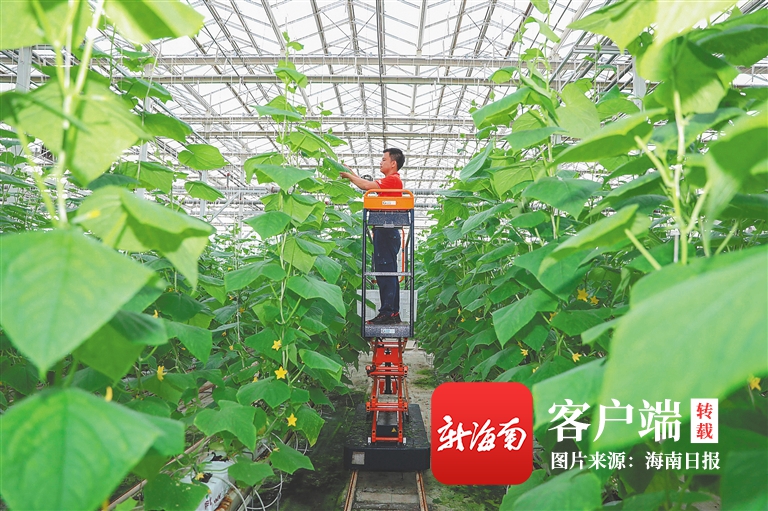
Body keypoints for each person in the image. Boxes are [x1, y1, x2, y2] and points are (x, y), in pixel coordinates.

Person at [340, 148, 405, 325]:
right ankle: (392, 313)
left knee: (385, 273)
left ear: (393, 163)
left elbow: (365, 186)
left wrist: (350, 176)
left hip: (386, 230)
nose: (380, 162)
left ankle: (388, 313)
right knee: (387, 272)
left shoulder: (392, 180)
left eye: (384, 159)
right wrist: (351, 173)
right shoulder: (389, 182)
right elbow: (366, 184)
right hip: (386, 230)